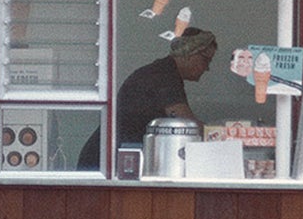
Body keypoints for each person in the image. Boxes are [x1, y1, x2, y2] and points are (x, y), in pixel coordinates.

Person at [77, 28, 219, 168]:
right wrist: (220, 136)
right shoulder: (164, 75)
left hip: (112, 156)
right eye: (206, 60)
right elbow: (186, 124)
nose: (207, 68)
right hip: (104, 164)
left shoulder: (164, 71)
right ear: (190, 52)